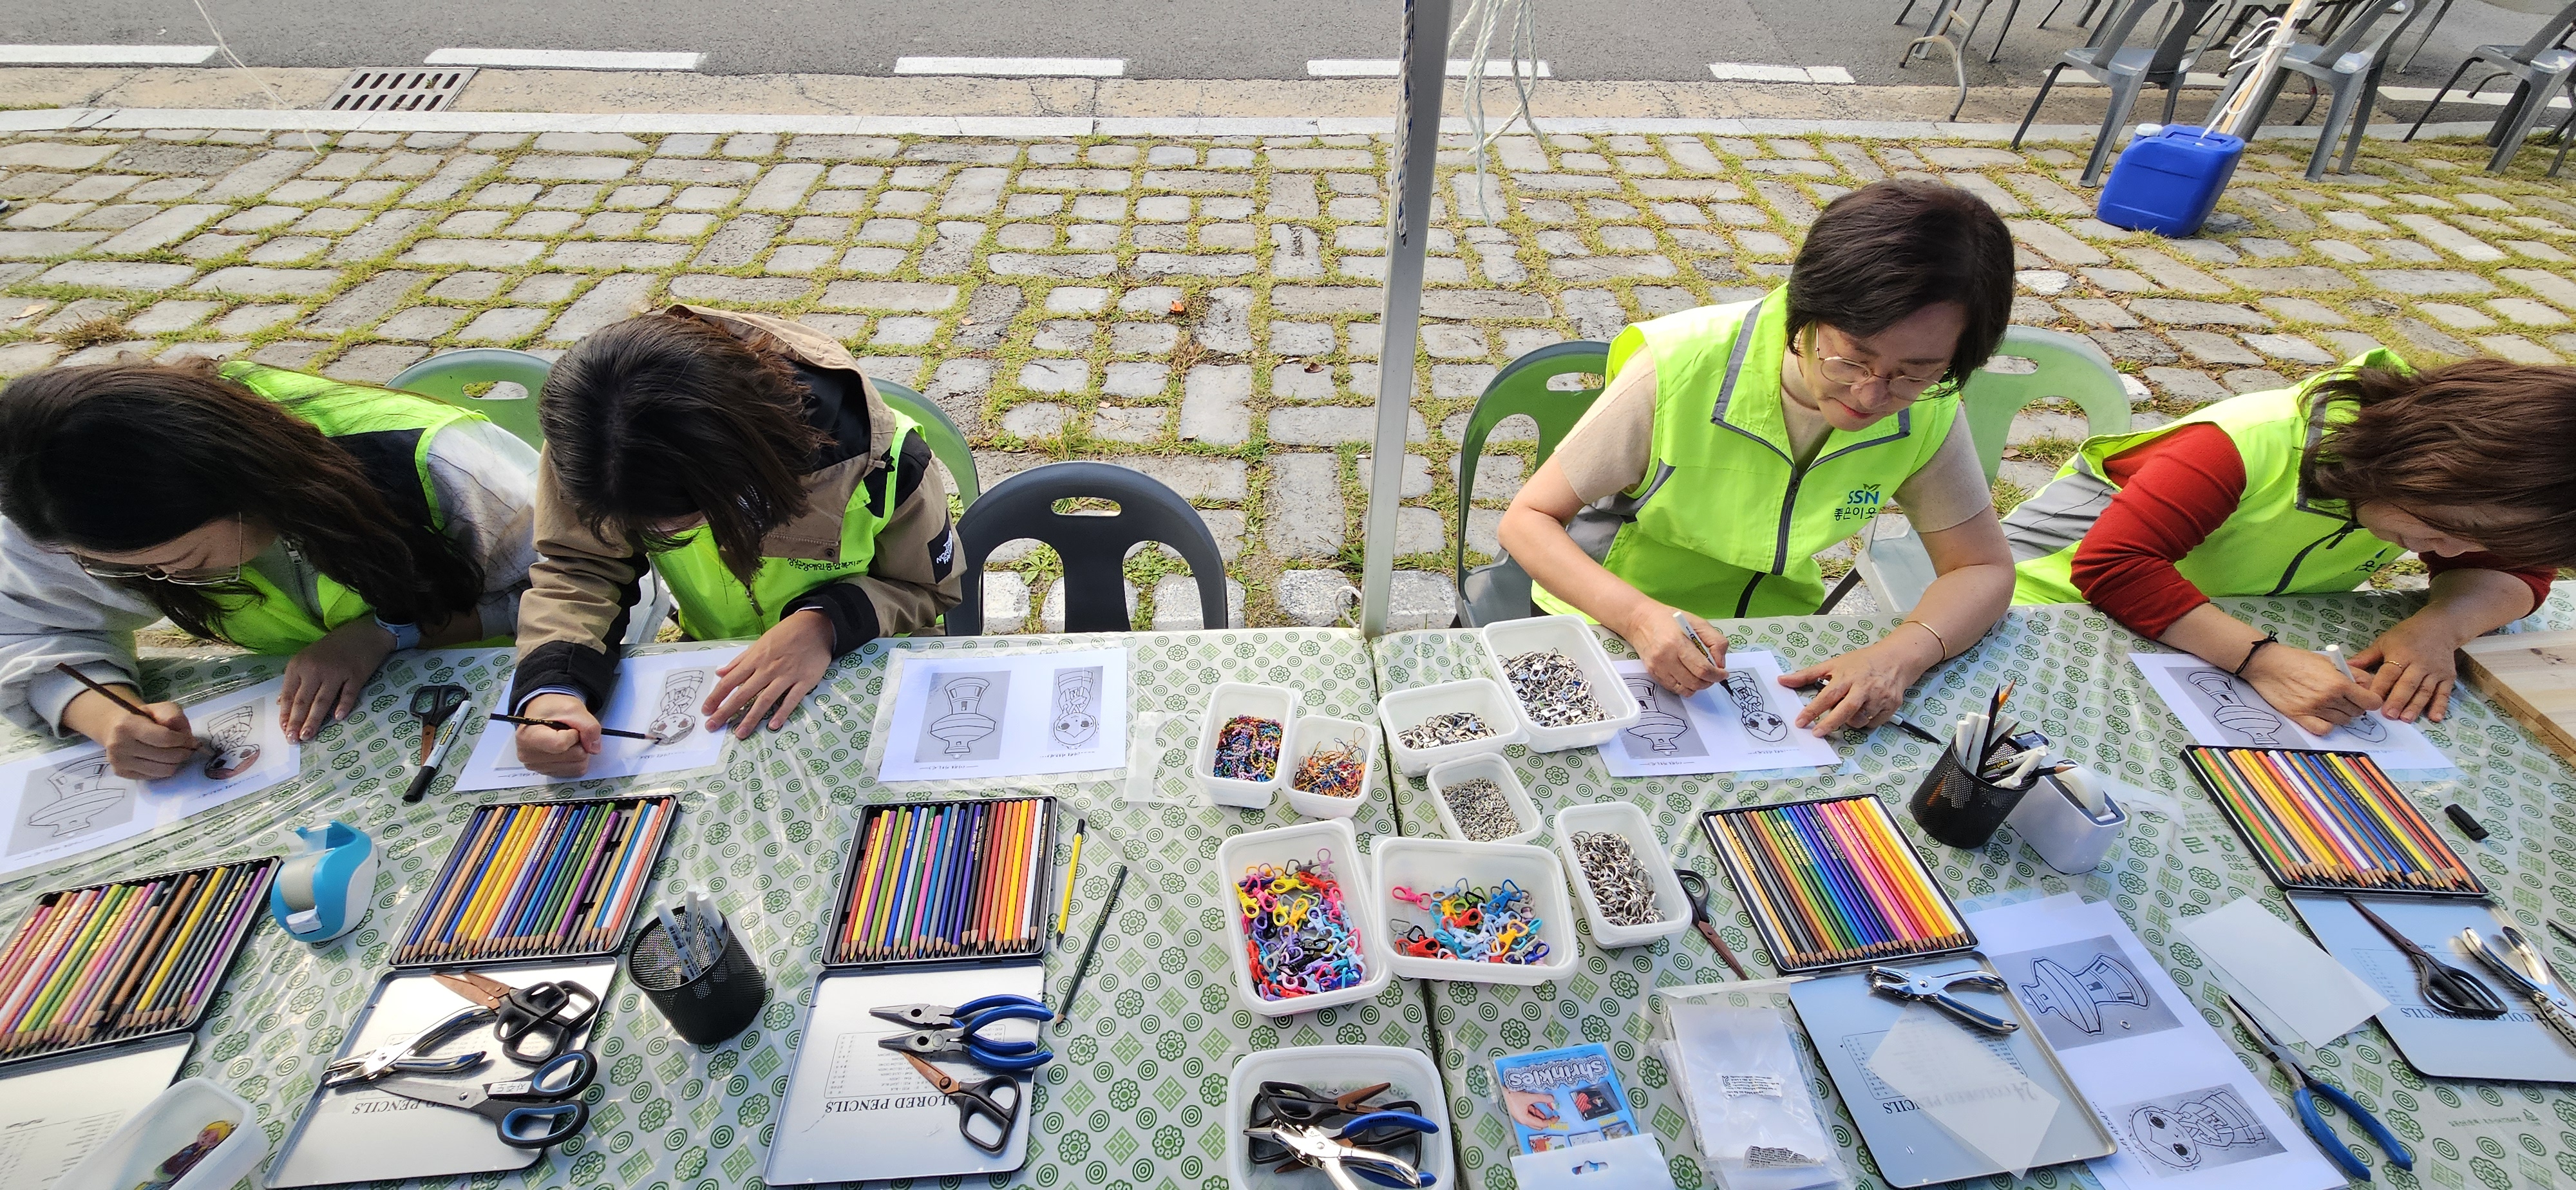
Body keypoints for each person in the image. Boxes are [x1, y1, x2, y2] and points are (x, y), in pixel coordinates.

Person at [1497, 179, 2019, 735]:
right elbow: (1527, 520)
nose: (1870, 395)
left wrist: (1900, 655)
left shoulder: (1932, 407)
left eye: (1914, 372)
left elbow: (1982, 568)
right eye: (1851, 360)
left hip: (1767, 644)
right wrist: (1639, 617)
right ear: (1807, 313)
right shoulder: (1681, 368)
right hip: (1610, 618)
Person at [0, 359, 540, 773]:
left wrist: (389, 632)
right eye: (135, 572)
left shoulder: (436, 464)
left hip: (507, 688)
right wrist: (106, 715)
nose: (171, 582)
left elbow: (584, 586)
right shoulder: (56, 500)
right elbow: (24, 630)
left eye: (182, 560)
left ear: (244, 490)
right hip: (343, 736)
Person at [2007, 353, 2576, 732]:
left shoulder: (2451, 495)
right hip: (2042, 611)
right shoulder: (2246, 443)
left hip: (2190, 632)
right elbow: (2115, 567)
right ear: (2415, 462)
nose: (2450, 553)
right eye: (2439, 530)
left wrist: (2440, 624)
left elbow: (2520, 573)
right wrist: (2260, 660)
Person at [511, 306, 961, 777]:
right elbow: (579, 568)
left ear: (747, 468)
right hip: (719, 674)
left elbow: (931, 590)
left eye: (679, 525)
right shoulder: (593, 446)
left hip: (870, 663)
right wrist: (554, 688)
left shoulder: (882, 463)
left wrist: (825, 624)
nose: (656, 538)